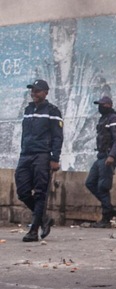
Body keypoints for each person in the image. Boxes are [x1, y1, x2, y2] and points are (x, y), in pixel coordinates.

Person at [16, 79, 62, 242]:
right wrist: (23, 149)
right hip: (26, 154)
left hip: (42, 155)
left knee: (40, 192)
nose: (33, 94)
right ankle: (44, 219)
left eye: (37, 91)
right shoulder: (28, 109)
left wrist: (55, 158)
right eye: (32, 91)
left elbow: (58, 136)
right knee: (22, 192)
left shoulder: (53, 111)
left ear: (45, 93)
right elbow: (24, 133)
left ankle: (34, 231)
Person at [86, 96, 116, 228]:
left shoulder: (113, 118)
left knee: (103, 187)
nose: (100, 107)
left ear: (109, 105)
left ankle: (106, 218)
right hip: (101, 155)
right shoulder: (103, 119)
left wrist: (111, 156)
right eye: (99, 105)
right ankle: (109, 208)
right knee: (90, 182)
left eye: (103, 105)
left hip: (107, 156)